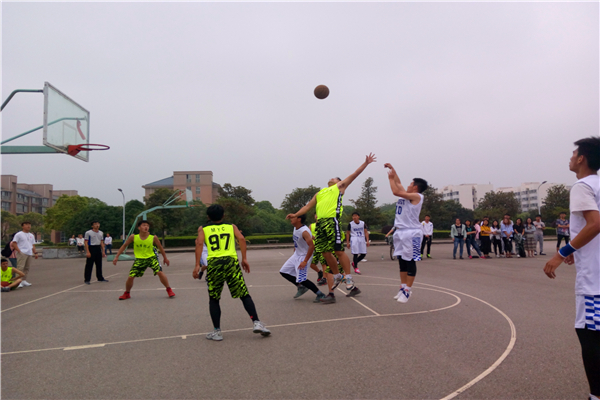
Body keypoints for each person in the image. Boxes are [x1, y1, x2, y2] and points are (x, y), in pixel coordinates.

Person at [543, 136, 600, 400]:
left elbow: (595, 224)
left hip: (595, 279)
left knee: (590, 335)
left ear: (582, 159)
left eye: (574, 153)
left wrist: (562, 252)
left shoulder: (582, 186)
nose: (570, 157)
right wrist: (579, 250)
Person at [286, 153, 376, 303]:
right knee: (324, 252)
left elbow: (355, 174)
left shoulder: (339, 188)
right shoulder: (320, 193)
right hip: (320, 223)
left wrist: (365, 163)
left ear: (340, 182)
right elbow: (307, 207)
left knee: (338, 250)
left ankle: (348, 278)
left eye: (335, 178)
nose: (332, 178)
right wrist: (295, 214)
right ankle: (337, 276)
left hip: (331, 221)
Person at [194, 204, 270, 340]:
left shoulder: (203, 228)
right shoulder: (231, 226)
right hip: (231, 262)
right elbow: (241, 239)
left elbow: (199, 244)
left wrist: (196, 265)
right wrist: (244, 259)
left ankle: (217, 331)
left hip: (214, 263)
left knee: (214, 298)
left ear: (208, 216)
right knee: (244, 294)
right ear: (223, 215)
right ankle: (256, 322)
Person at [385, 163, 427, 303]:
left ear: (415, 187)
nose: (408, 185)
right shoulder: (407, 196)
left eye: (411, 183)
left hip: (412, 233)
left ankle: (408, 290)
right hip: (400, 231)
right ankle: (402, 287)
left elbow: (395, 190)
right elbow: (398, 183)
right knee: (402, 260)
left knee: (410, 261)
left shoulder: (418, 196)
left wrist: (390, 179)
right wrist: (393, 169)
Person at [113, 220, 175, 300]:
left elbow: (160, 247)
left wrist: (165, 258)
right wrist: (117, 256)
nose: (146, 227)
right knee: (130, 277)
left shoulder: (153, 237)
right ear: (139, 227)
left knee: (160, 272)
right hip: (139, 260)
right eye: (144, 225)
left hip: (151, 258)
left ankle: (169, 290)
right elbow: (124, 245)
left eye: (147, 226)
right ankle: (127, 293)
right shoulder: (133, 237)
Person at [280, 214, 326, 302]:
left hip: (304, 256)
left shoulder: (304, 231)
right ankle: (301, 287)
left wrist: (305, 261)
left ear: (299, 219)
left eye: (294, 217)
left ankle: (320, 294)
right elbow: (309, 236)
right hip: (296, 254)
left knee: (302, 279)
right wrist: (296, 246)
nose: (291, 219)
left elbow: (311, 246)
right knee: (284, 271)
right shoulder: (296, 228)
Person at [11, 221, 38, 287]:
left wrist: (35, 252)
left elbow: (33, 245)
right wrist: (19, 251)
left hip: (29, 253)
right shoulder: (19, 234)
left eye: (29, 225)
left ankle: (24, 280)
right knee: (20, 267)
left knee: (26, 268)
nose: (28, 226)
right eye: (26, 225)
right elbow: (14, 243)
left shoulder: (31, 235)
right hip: (22, 253)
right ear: (22, 226)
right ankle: (18, 281)